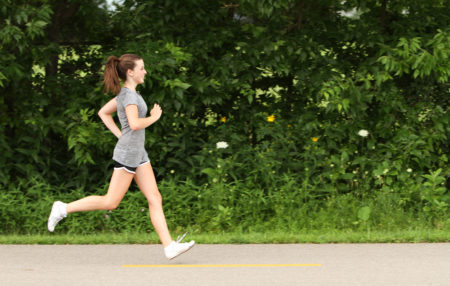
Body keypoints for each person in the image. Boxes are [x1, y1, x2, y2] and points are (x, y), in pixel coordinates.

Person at [47, 53, 194, 260]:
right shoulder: (130, 96)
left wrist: (120, 134)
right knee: (110, 202)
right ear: (130, 72)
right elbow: (134, 124)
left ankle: (169, 245)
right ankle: (63, 208)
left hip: (138, 153)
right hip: (128, 155)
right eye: (142, 68)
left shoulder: (127, 94)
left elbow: (104, 113)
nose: (145, 72)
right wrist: (153, 117)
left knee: (154, 197)